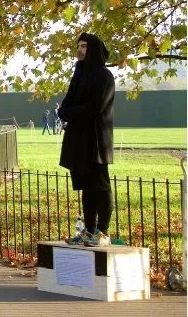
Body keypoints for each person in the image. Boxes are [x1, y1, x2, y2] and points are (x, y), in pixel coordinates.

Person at [58, 33, 115, 247]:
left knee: (100, 186)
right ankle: (89, 231)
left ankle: (103, 232)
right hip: (78, 140)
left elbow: (95, 108)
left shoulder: (105, 76)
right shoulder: (79, 75)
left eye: (84, 46)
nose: (80, 50)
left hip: (97, 140)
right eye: (79, 46)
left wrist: (71, 112)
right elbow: (64, 108)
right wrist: (70, 111)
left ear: (93, 49)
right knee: (86, 186)